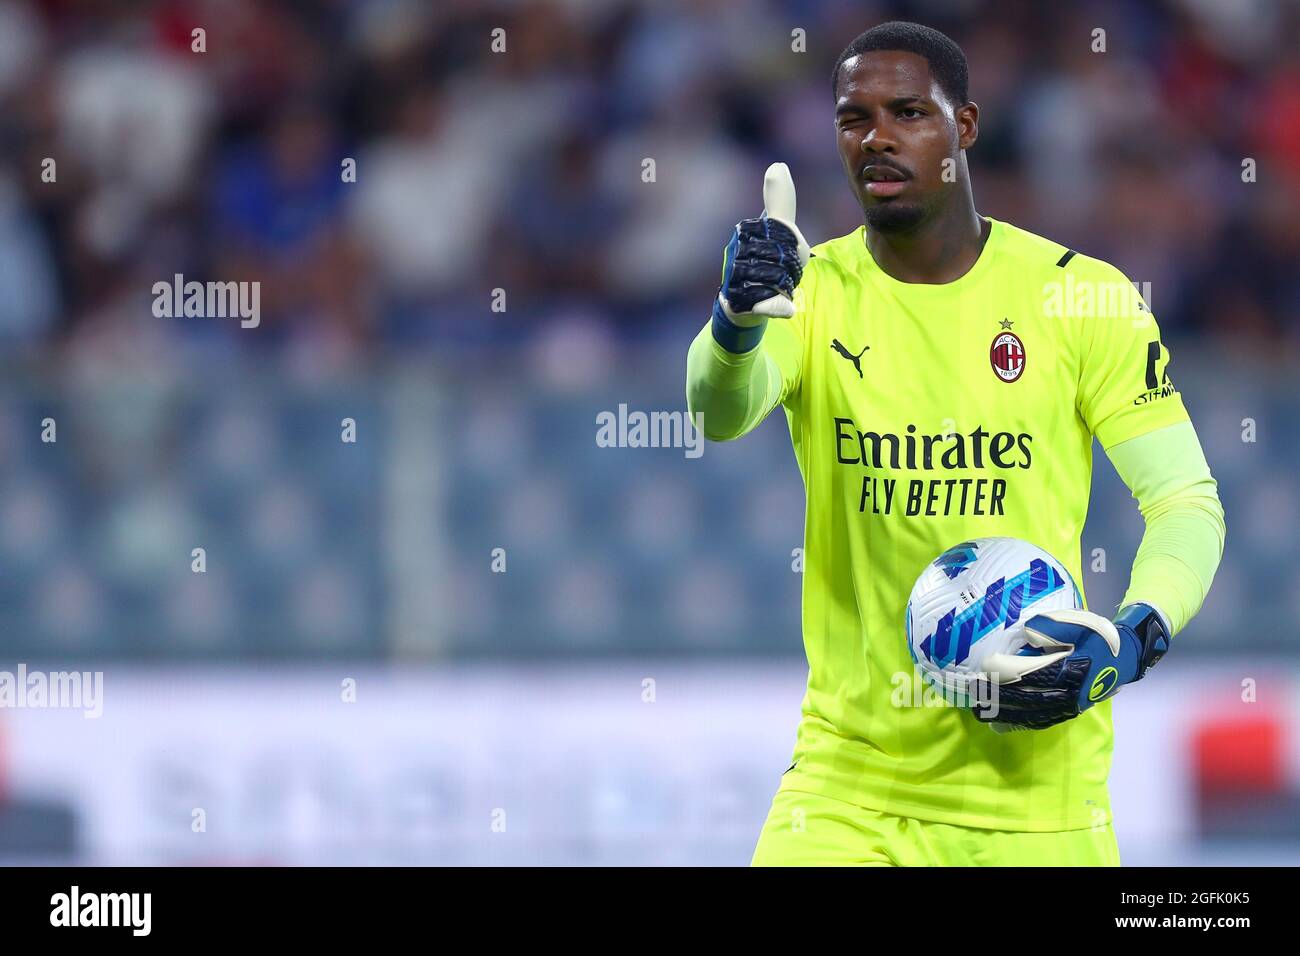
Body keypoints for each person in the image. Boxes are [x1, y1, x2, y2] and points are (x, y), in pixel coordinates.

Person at [685, 21, 1226, 866]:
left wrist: (1133, 634)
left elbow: (1186, 503)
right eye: (853, 118)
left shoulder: (1080, 298)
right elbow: (717, 412)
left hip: (1038, 800)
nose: (877, 138)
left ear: (963, 126)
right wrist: (735, 323)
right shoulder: (807, 292)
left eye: (908, 112)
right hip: (849, 790)